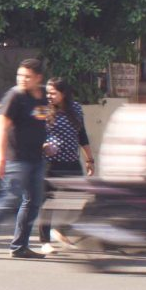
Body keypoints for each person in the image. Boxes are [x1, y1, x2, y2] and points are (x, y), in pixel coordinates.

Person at [0, 59, 54, 259]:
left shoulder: (42, 97)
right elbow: (2, 128)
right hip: (17, 159)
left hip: (36, 158)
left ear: (38, 78)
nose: (22, 80)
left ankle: (19, 246)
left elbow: (42, 123)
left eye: (27, 76)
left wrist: (45, 143)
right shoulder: (14, 97)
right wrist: (1, 159)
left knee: (33, 201)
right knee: (10, 198)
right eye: (20, 75)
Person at [38, 78, 95, 247]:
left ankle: (61, 230)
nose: (49, 96)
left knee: (77, 200)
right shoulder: (42, 109)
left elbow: (82, 135)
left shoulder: (76, 108)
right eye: (47, 92)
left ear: (64, 94)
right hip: (49, 164)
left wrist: (89, 159)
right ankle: (45, 241)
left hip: (71, 162)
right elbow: (32, 133)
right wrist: (42, 145)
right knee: (47, 203)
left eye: (53, 93)